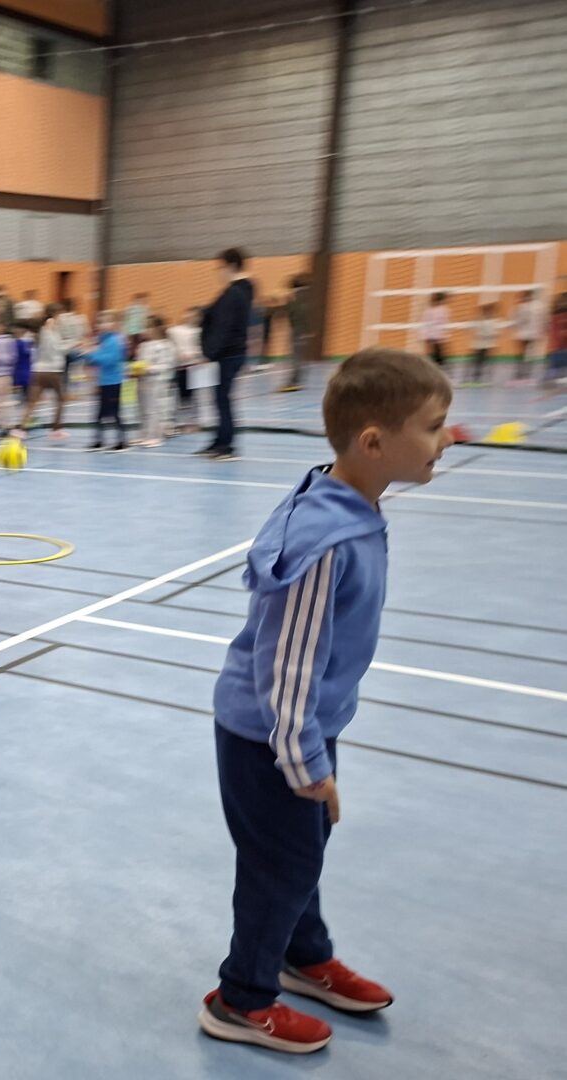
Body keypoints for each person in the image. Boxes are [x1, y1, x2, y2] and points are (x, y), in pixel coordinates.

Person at [198, 347, 454, 1056]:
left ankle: (301, 955)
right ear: (373, 443)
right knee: (280, 867)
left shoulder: (346, 501)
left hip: (301, 728)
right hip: (272, 737)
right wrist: (306, 762)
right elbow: (287, 668)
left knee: (299, 856)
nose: (446, 440)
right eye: (433, 426)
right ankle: (241, 1000)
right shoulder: (328, 542)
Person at [199, 248, 254, 460]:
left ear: (231, 266)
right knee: (220, 398)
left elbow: (223, 326)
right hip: (231, 352)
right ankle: (220, 439)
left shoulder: (234, 294)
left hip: (229, 354)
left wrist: (209, 352)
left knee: (223, 398)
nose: (218, 272)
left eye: (220, 267)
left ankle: (226, 445)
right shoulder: (240, 291)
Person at [19, 304, 68, 438]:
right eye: (60, 315)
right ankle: (56, 429)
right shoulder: (50, 327)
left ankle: (20, 429)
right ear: (55, 315)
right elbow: (55, 349)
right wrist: (72, 345)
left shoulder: (38, 330)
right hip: (52, 370)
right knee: (61, 399)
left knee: (32, 402)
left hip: (37, 370)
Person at [82, 312, 128, 452]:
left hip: (113, 382)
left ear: (114, 324)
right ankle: (99, 441)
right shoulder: (102, 341)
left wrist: (91, 355)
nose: (102, 325)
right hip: (103, 381)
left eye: (106, 322)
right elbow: (97, 358)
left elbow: (110, 360)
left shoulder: (114, 340)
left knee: (114, 412)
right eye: (100, 322)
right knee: (100, 414)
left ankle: (122, 441)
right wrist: (87, 355)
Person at [133, 316, 176, 446]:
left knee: (155, 409)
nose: (145, 330)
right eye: (145, 327)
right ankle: (144, 434)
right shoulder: (143, 345)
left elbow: (167, 365)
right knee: (143, 408)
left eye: (149, 327)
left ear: (157, 328)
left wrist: (150, 368)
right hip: (143, 381)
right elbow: (139, 362)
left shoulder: (166, 345)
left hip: (158, 381)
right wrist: (135, 369)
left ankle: (156, 435)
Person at [168, 307, 204, 432]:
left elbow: (202, 348)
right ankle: (179, 421)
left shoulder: (200, 331)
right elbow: (170, 344)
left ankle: (194, 422)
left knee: (195, 396)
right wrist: (177, 353)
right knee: (180, 395)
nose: (191, 318)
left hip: (195, 366)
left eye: (195, 316)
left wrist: (194, 354)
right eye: (189, 315)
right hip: (180, 367)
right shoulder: (175, 331)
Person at [280, 274, 312, 392]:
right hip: (306, 331)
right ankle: (298, 380)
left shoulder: (294, 297)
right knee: (301, 357)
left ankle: (294, 381)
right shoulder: (310, 297)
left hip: (298, 330)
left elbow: (291, 312)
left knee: (296, 357)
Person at [512, 289, 546, 385]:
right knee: (529, 354)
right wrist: (542, 330)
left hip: (524, 334)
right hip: (532, 334)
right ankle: (527, 374)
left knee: (522, 354)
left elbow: (517, 321)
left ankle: (520, 374)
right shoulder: (539, 306)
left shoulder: (522, 307)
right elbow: (543, 320)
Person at [470, 302, 502, 385]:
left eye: (489, 311)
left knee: (488, 362)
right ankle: (476, 378)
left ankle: (488, 379)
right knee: (478, 362)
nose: (488, 313)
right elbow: (475, 331)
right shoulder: (479, 320)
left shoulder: (493, 322)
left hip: (488, 345)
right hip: (479, 345)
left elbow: (495, 333)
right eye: (486, 311)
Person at [420, 292, 450, 368]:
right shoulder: (430, 311)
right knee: (435, 354)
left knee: (439, 354)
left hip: (437, 336)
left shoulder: (443, 310)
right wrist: (425, 336)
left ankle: (438, 367)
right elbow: (426, 323)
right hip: (433, 336)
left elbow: (444, 323)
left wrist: (445, 335)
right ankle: (437, 366)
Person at [123, 292, 150, 357]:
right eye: (143, 300)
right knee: (135, 348)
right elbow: (143, 321)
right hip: (135, 333)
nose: (145, 302)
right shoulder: (140, 309)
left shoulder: (130, 308)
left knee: (135, 348)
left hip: (135, 333)